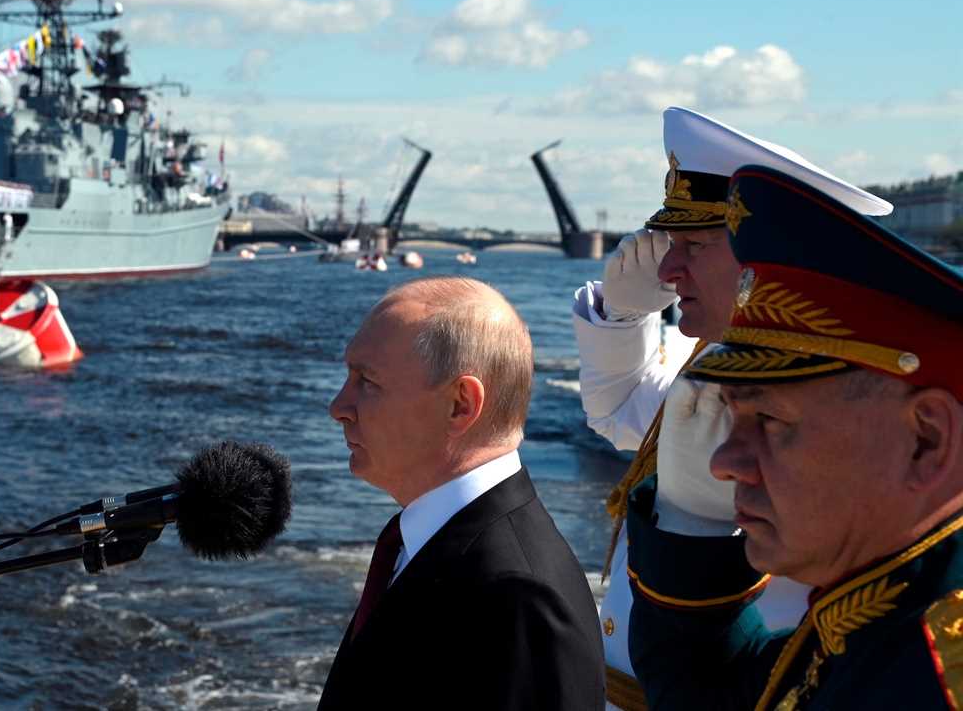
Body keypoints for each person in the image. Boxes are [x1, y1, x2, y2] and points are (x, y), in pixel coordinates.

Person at [571, 107, 891, 710]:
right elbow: (621, 417)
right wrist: (623, 316)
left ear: (764, 262)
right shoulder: (717, 365)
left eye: (693, 244)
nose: (667, 268)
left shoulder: (825, 401)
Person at [626, 163, 963, 709]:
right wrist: (691, 525)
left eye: (772, 421)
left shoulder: (940, 670)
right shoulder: (866, 626)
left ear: (927, 440)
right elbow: (711, 685)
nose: (724, 462)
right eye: (735, 416)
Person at [320, 277, 604, 710]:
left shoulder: (516, 600)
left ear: (460, 405)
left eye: (368, 382)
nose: (338, 406)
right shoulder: (430, 540)